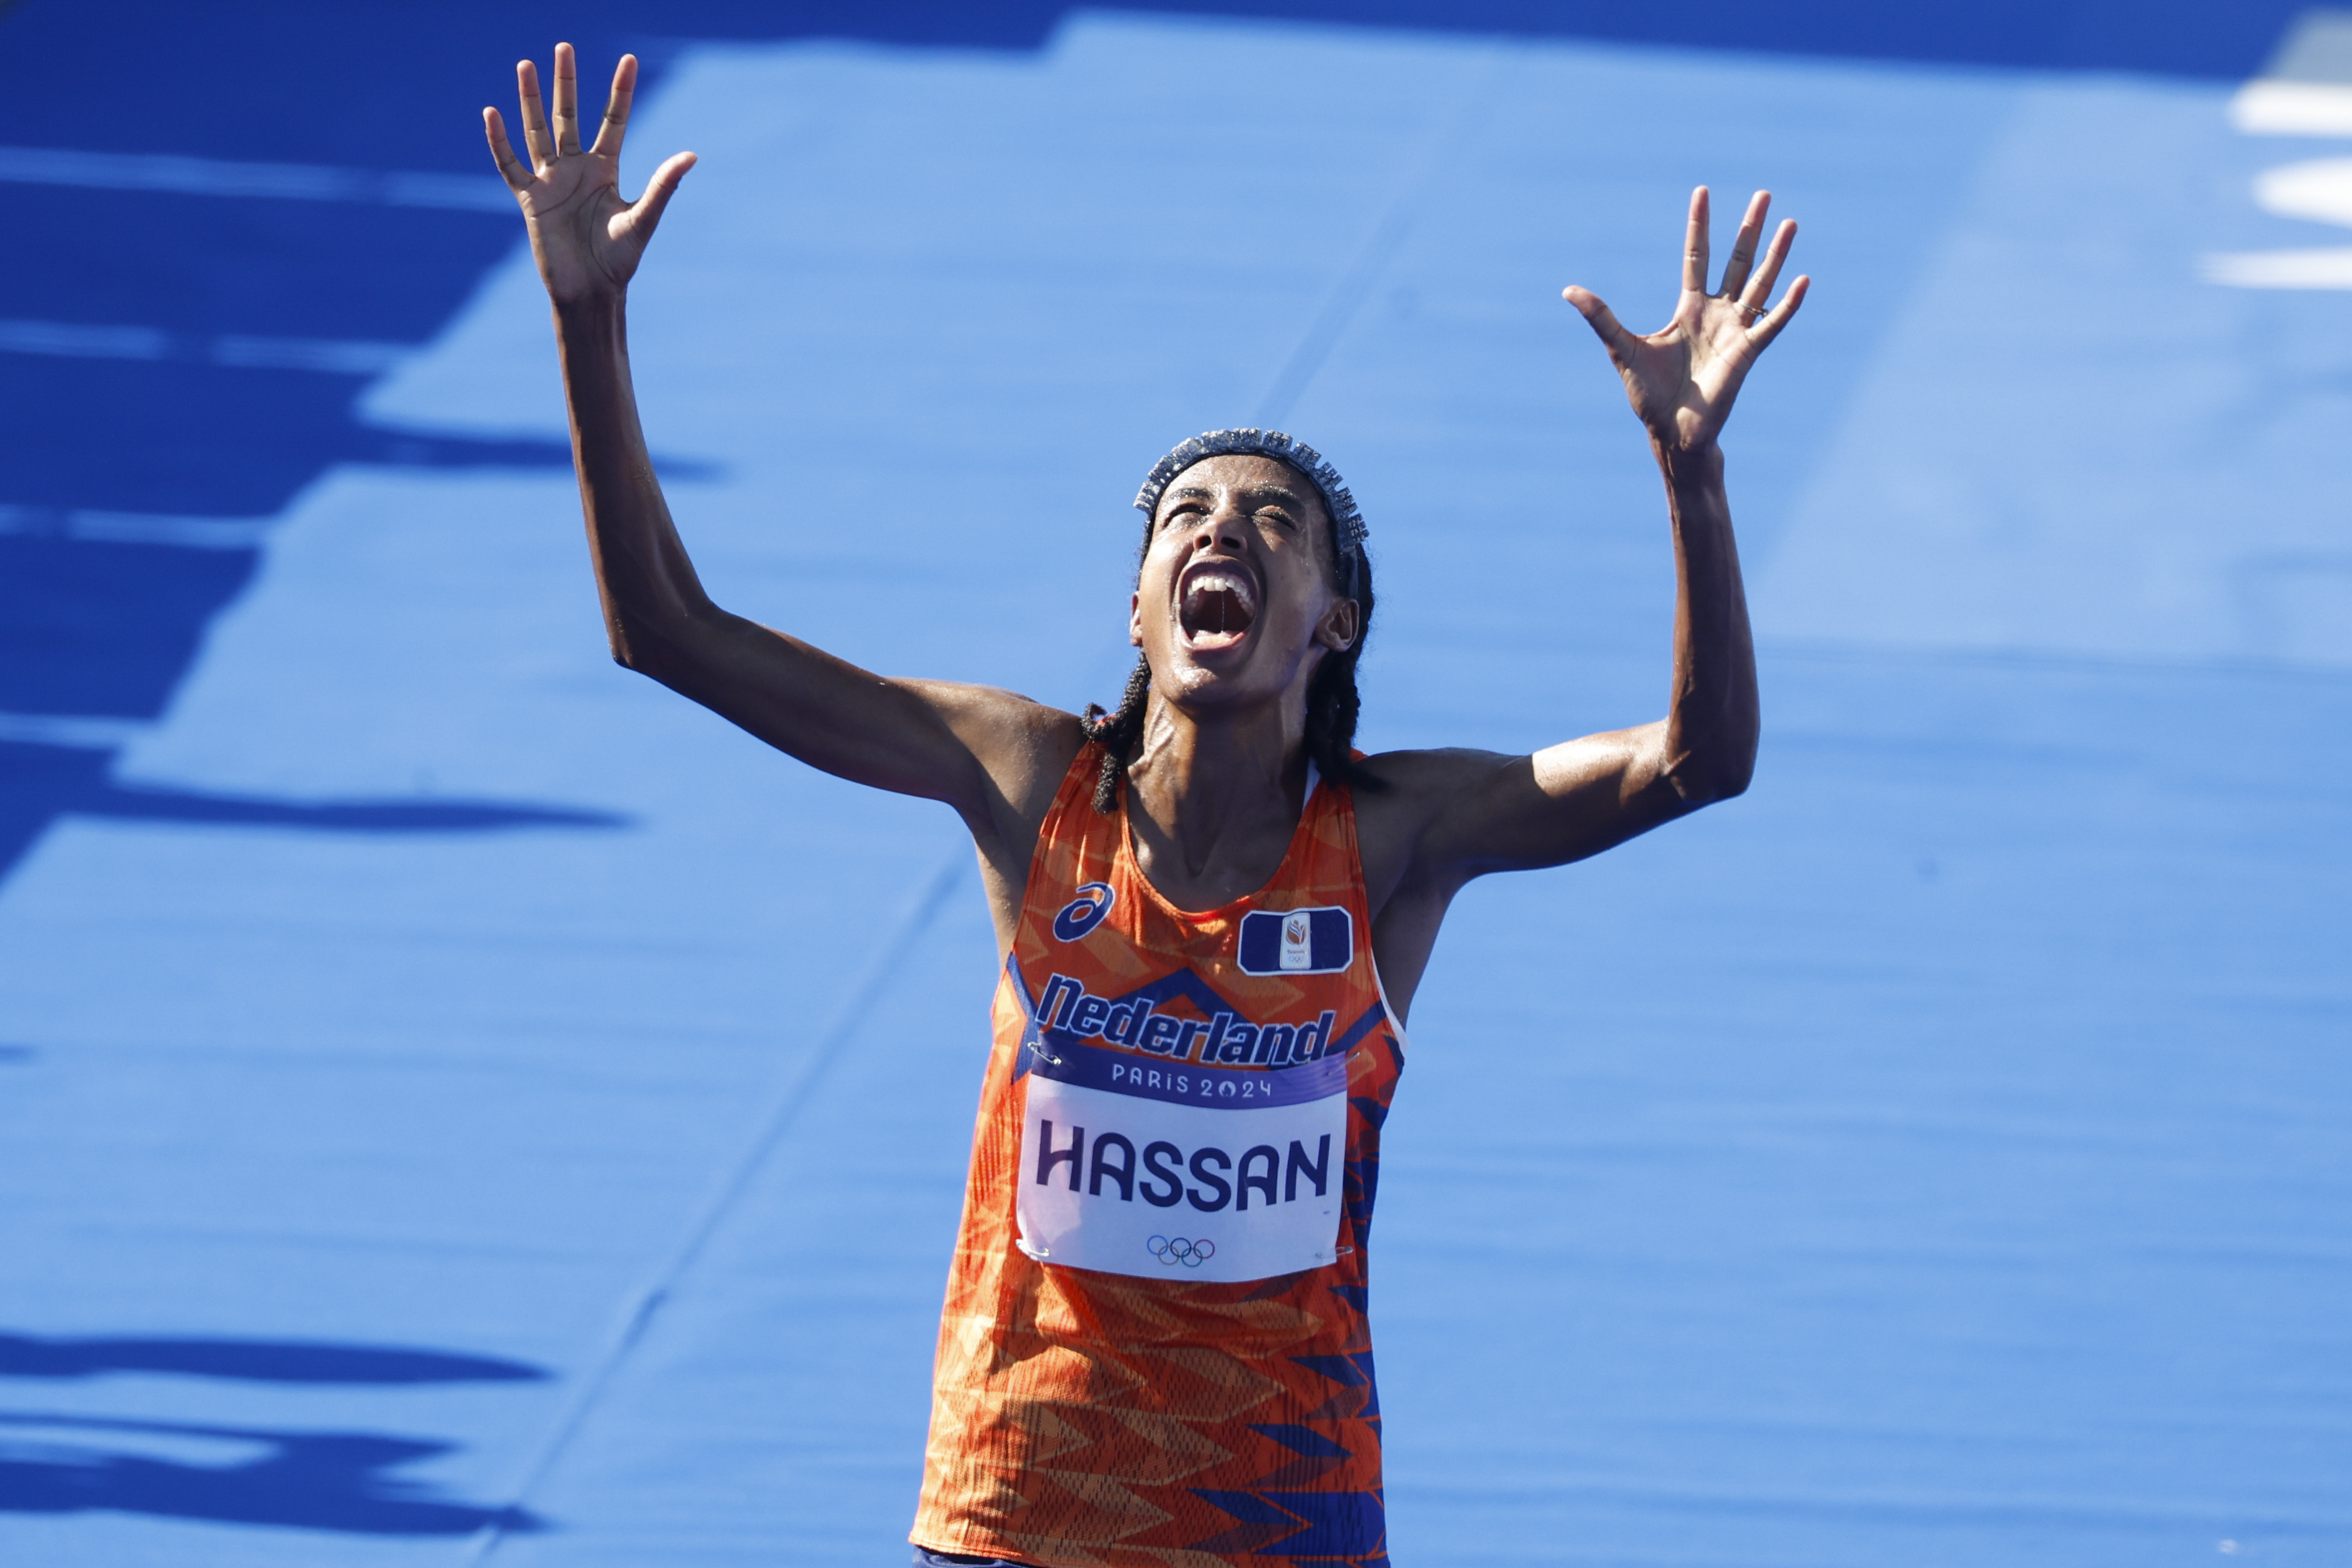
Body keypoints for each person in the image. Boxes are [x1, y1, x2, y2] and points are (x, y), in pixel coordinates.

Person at [486, 43, 1806, 1568]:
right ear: (1140, 607)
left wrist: (1691, 477)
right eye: (1187, 513)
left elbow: (1700, 761)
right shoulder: (1033, 780)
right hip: (1016, 1509)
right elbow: (667, 633)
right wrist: (591, 320)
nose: (1219, 531)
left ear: (1334, 621)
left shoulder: (1393, 837)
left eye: (1271, 521)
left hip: (1278, 1517)